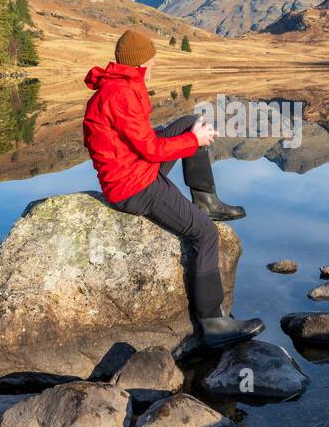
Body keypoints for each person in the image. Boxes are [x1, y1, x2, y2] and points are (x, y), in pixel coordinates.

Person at [83, 29, 264, 347]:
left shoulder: (122, 86)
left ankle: (205, 199)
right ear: (140, 63)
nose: (154, 65)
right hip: (134, 187)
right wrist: (194, 141)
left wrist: (188, 134)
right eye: (151, 60)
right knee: (204, 234)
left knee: (187, 120)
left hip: (133, 169)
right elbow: (152, 150)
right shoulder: (121, 94)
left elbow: (139, 141)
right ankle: (213, 323)